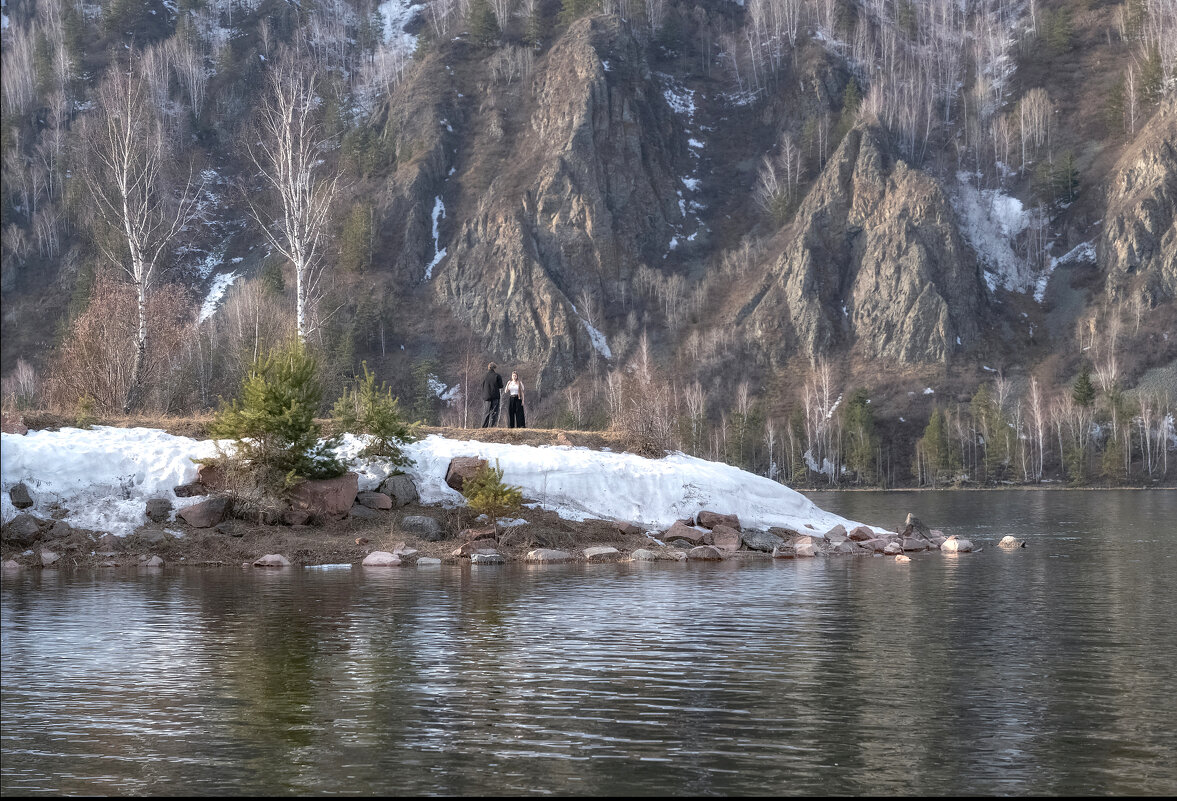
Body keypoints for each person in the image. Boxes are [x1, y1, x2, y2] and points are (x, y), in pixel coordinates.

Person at [480, 362, 504, 428]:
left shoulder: (485, 376)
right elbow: (501, 386)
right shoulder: (497, 376)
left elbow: (482, 385)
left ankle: (484, 427)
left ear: (489, 367)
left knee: (486, 412)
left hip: (487, 396)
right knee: (494, 412)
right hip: (495, 396)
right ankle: (492, 427)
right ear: (495, 368)